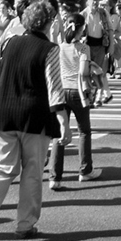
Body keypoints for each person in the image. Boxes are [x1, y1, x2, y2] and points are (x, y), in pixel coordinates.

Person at [0, 0, 64, 241]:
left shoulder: (10, 41)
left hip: (3, 112)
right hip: (35, 115)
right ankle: (25, 225)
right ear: (49, 23)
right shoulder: (50, 49)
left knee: (2, 167)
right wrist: (63, 121)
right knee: (32, 171)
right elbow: (54, 88)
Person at [49, 13, 100, 191]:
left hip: (61, 90)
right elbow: (83, 71)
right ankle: (85, 170)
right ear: (81, 29)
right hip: (77, 90)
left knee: (60, 132)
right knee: (84, 131)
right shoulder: (83, 48)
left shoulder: (58, 47)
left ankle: (55, 176)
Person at [81, 0, 113, 104]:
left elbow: (110, 29)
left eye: (97, 0)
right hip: (87, 47)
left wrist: (111, 45)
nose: (95, 2)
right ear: (88, 2)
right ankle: (92, 96)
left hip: (100, 46)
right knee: (87, 73)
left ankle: (96, 97)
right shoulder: (83, 14)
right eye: (93, 0)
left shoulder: (103, 13)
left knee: (98, 72)